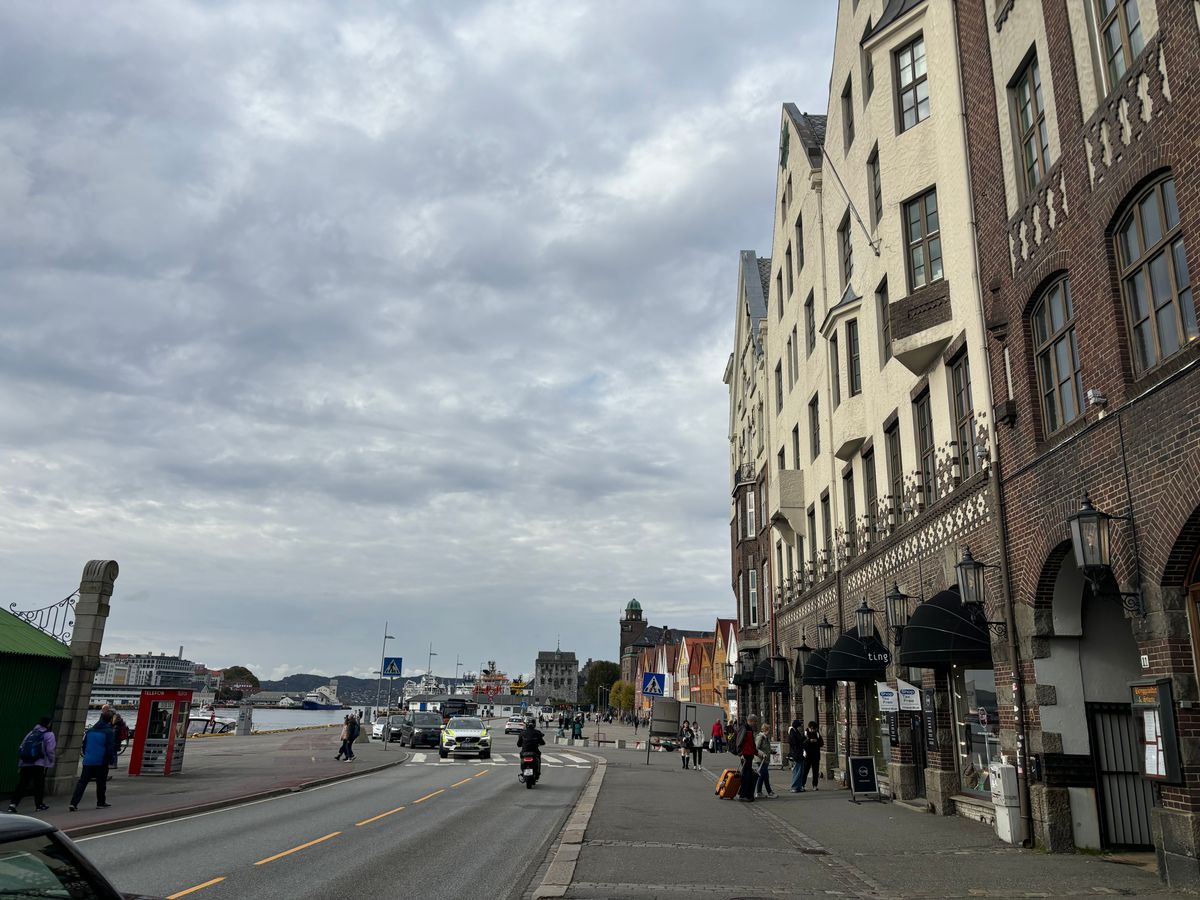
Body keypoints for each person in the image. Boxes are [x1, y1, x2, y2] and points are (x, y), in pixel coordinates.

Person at [69, 711, 116, 811]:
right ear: (110, 720)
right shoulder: (109, 732)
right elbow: (110, 748)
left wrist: (87, 755)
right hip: (101, 760)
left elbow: (84, 745)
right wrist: (111, 760)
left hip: (88, 760)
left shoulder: (90, 731)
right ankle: (100, 802)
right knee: (101, 782)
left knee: (82, 782)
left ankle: (73, 803)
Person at [8, 717, 56, 813]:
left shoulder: (31, 732)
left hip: (25, 763)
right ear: (49, 724)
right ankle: (39, 805)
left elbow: (22, 746)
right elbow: (50, 750)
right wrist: (51, 761)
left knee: (22, 784)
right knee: (39, 785)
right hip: (39, 763)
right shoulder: (49, 734)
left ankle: (12, 805)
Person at [731, 715, 759, 802]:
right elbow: (739, 742)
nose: (756, 723)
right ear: (751, 721)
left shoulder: (749, 729)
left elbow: (752, 743)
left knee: (748, 774)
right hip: (745, 755)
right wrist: (740, 754)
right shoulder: (744, 728)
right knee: (746, 775)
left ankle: (744, 794)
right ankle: (744, 795)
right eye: (755, 722)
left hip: (749, 755)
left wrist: (757, 753)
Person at [516, 716, 545, 780]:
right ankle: (537, 772)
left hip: (524, 752)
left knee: (522, 758)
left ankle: (523, 771)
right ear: (534, 725)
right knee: (539, 758)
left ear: (526, 725)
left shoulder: (522, 733)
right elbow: (542, 742)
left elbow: (518, 744)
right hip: (534, 752)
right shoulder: (537, 732)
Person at [801, 721, 824, 790]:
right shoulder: (805, 734)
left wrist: (816, 741)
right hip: (807, 755)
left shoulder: (817, 734)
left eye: (814, 729)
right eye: (812, 729)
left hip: (816, 755)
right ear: (809, 728)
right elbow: (802, 743)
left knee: (815, 772)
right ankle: (802, 785)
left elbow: (822, 743)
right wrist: (809, 741)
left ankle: (815, 785)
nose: (813, 730)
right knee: (805, 771)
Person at [755, 722, 775, 798]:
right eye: (768, 730)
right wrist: (763, 754)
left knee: (763, 776)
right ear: (765, 730)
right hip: (761, 760)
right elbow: (756, 748)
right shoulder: (760, 737)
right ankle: (769, 792)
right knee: (765, 776)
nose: (769, 731)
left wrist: (771, 751)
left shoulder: (765, 737)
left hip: (765, 760)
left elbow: (765, 748)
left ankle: (759, 792)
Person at [787, 719, 805, 792]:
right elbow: (796, 742)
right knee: (797, 770)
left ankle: (798, 786)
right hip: (796, 753)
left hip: (798, 753)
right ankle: (794, 787)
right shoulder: (793, 732)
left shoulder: (794, 731)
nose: (800, 728)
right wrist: (803, 738)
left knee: (800, 771)